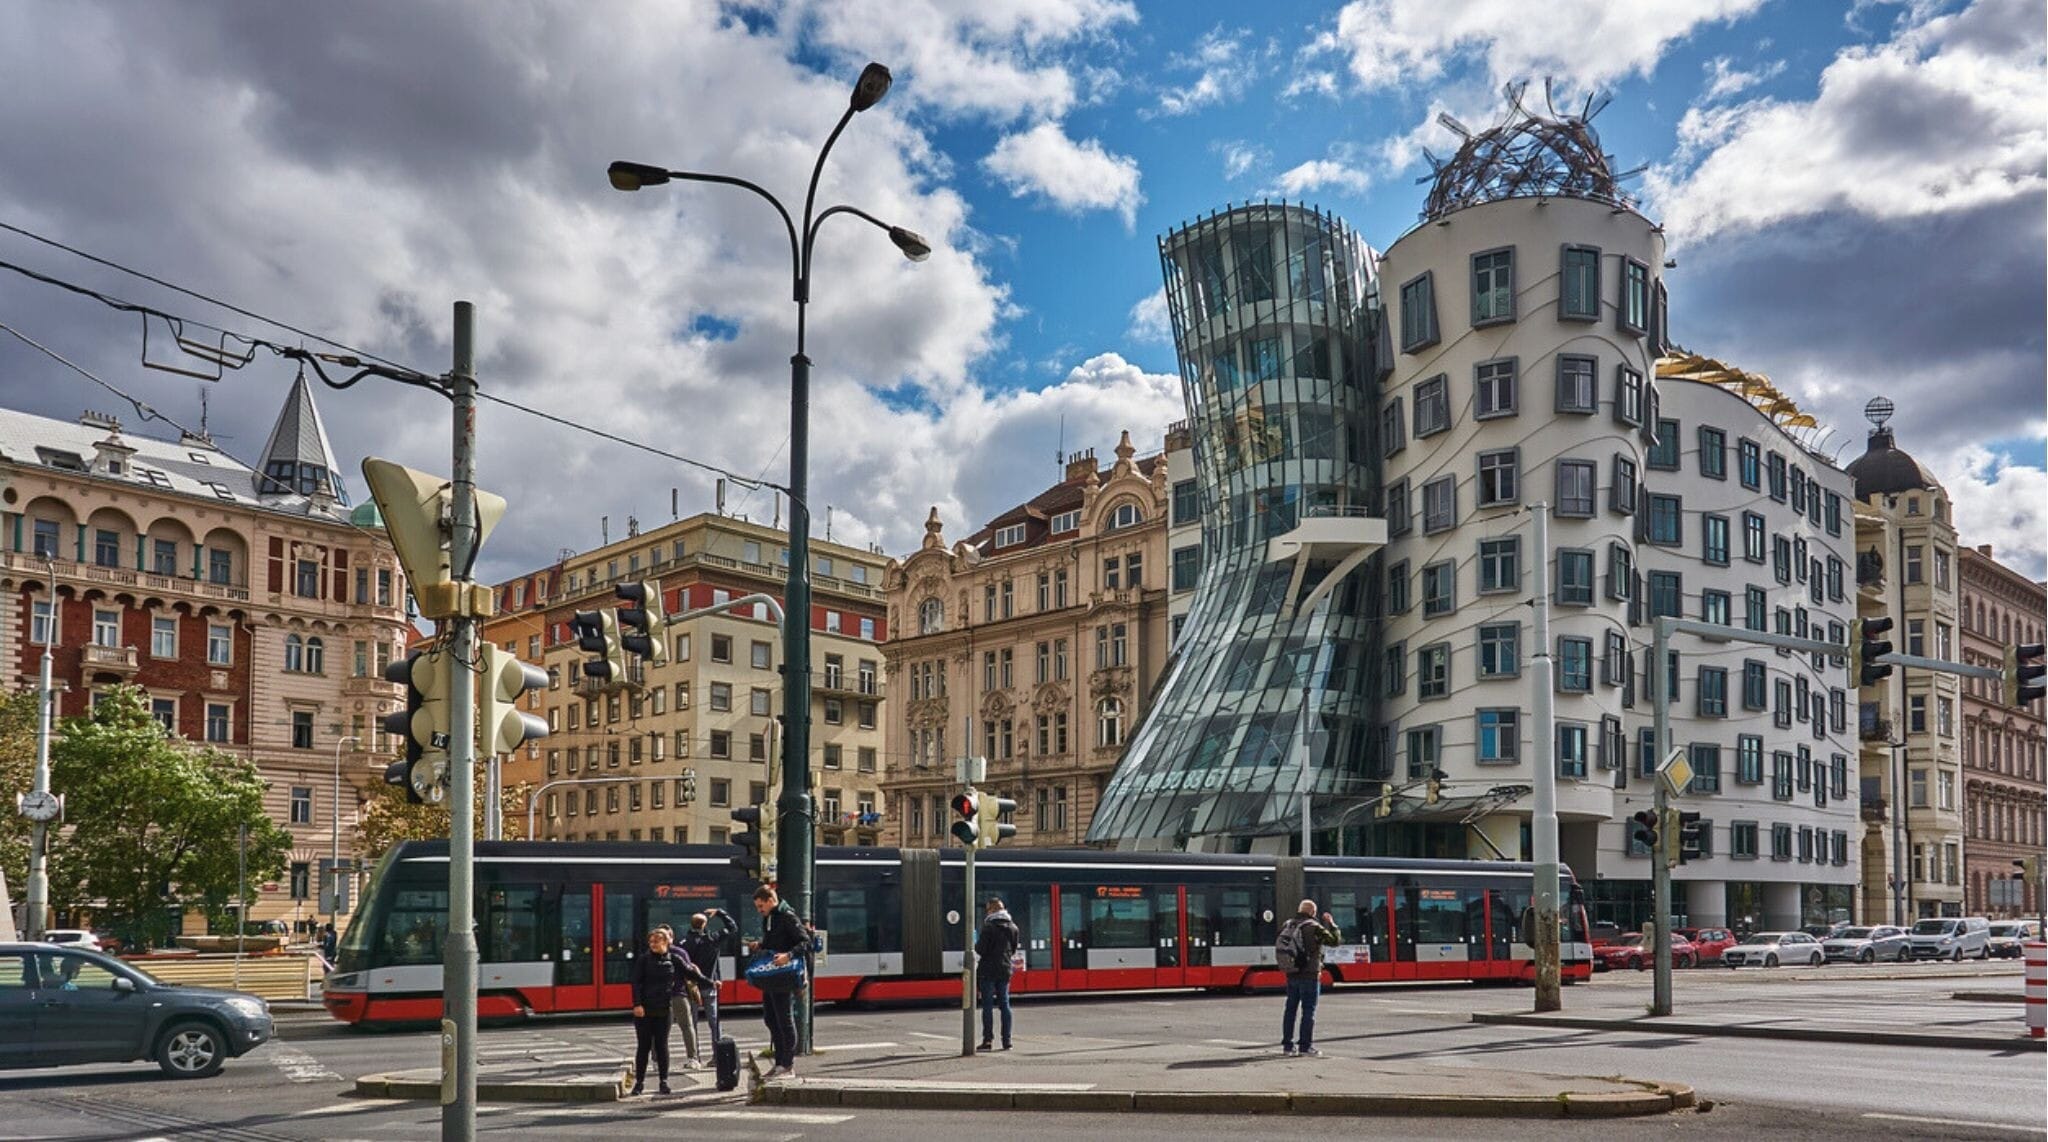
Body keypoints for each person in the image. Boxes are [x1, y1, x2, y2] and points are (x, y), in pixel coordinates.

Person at [748, 884, 809, 1078]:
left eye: (761, 906)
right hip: (772, 975)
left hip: (783, 974)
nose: (759, 910)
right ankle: (780, 1061)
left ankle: (787, 1063)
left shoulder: (787, 916)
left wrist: (788, 956)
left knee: (784, 1019)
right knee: (771, 1018)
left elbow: (805, 941)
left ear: (771, 900)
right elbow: (774, 941)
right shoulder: (770, 918)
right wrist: (760, 945)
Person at [627, 927, 688, 1094]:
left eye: (656, 941)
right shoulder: (644, 960)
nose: (652, 944)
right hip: (645, 1010)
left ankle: (664, 1081)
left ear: (666, 942)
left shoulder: (674, 959)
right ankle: (639, 1083)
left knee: (662, 1046)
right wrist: (637, 1004)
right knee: (643, 1046)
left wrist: (711, 983)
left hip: (664, 1009)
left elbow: (690, 973)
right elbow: (636, 983)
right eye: (651, 941)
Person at [1278, 899, 1341, 1058]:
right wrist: (1332, 924)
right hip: (1310, 975)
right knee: (1308, 1010)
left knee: (1290, 1010)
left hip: (1292, 973)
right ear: (1312, 913)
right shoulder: (1314, 927)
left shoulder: (1288, 924)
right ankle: (1305, 1047)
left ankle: (1287, 1046)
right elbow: (1335, 941)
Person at [654, 924, 713, 1071]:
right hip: (665, 996)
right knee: (665, 1029)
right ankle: (660, 1060)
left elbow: (689, 972)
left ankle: (690, 1058)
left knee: (682, 1026)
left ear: (670, 937)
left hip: (677, 994)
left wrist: (708, 982)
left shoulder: (677, 953)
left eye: (665, 936)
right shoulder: (655, 954)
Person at [975, 897, 1021, 1051]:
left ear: (992, 910)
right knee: (1005, 1004)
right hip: (1005, 970)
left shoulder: (988, 928)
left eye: (987, 909)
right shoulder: (1013, 927)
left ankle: (988, 1041)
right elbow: (1013, 949)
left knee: (987, 1006)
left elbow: (980, 950)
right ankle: (1007, 1041)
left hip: (987, 970)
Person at [680, 910, 725, 1045]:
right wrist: (719, 913)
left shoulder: (684, 943)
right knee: (714, 1022)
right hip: (710, 986)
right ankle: (717, 1056)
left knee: (692, 1024)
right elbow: (732, 927)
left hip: (692, 988)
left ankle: (695, 1057)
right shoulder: (712, 940)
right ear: (704, 924)